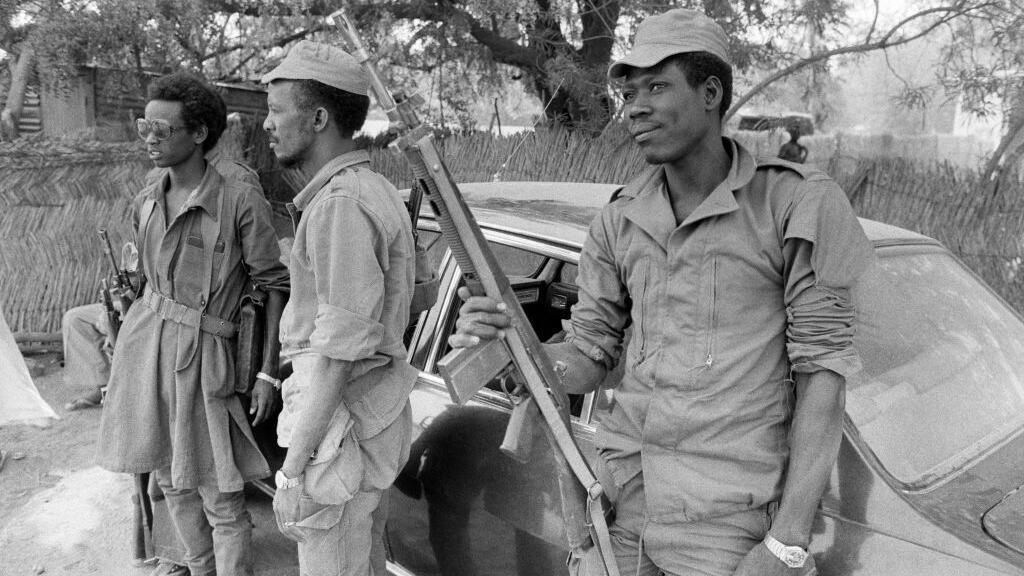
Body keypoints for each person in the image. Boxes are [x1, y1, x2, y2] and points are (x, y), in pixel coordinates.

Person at [451, 8, 874, 576]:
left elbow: (824, 376)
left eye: (656, 86)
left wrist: (786, 543)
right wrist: (513, 350)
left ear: (710, 91)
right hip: (619, 507)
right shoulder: (619, 220)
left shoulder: (794, 205)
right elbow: (586, 359)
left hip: (726, 528)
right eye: (628, 93)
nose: (636, 107)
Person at [97, 71, 289, 576]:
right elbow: (145, 276)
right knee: (170, 478)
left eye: (163, 129)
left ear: (200, 133)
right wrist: (127, 301)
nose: (150, 139)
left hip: (207, 358)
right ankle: (199, 568)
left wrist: (268, 372)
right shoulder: (146, 197)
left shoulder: (239, 197)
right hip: (146, 348)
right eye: (145, 127)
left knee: (221, 494)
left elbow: (274, 284)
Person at [260, 40, 418, 576]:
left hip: (337, 425)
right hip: (358, 419)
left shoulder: (340, 204)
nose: (267, 125)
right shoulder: (369, 190)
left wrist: (294, 468)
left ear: (320, 117)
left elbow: (336, 355)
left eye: (277, 111)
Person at [61, 303, 111, 410]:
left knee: (108, 319)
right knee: (73, 318)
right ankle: (101, 384)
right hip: (123, 297)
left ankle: (104, 386)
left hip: (143, 301)